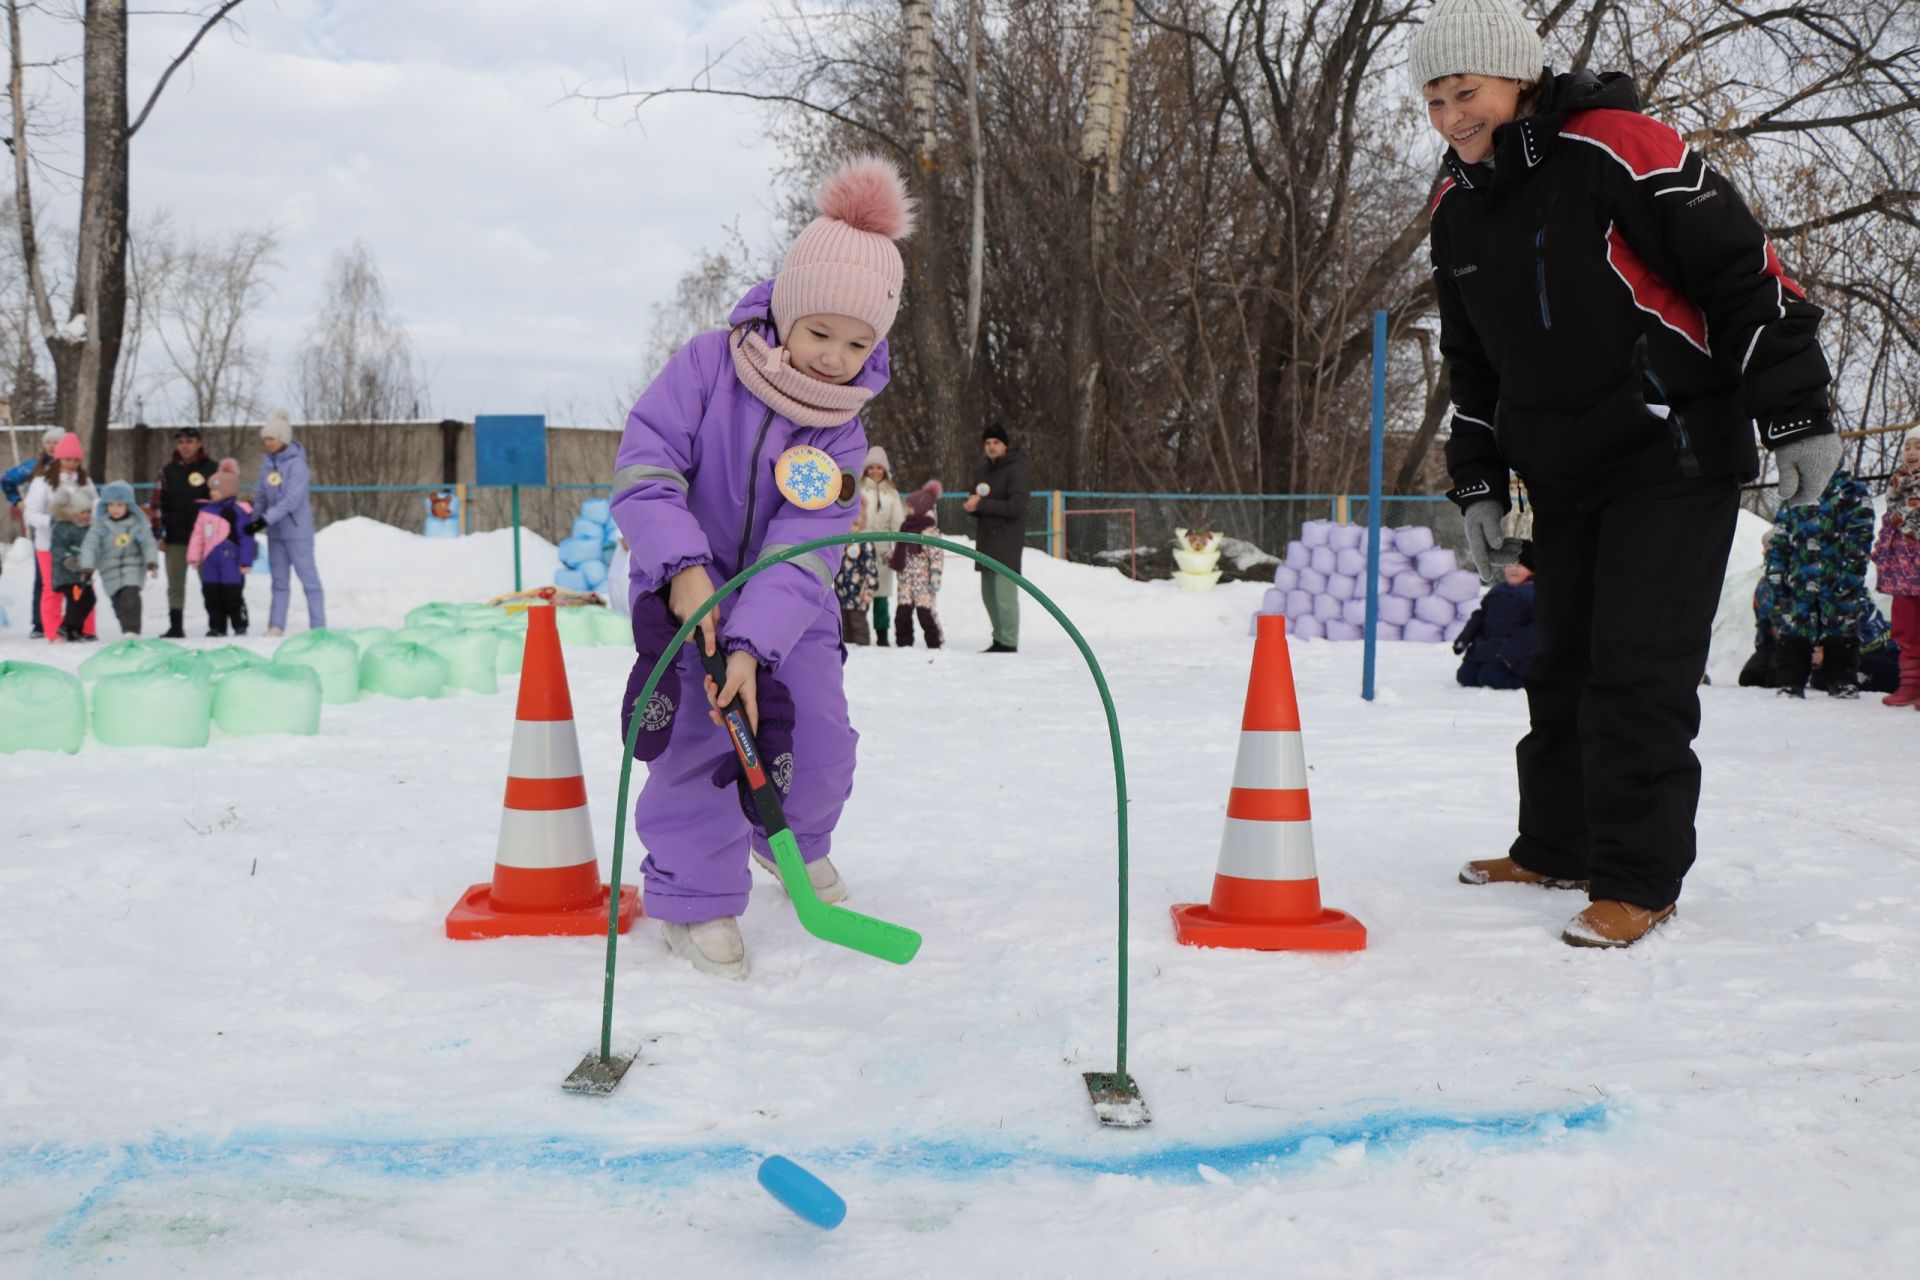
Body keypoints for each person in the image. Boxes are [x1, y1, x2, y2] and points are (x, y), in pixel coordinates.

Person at [1419, 0, 1841, 947]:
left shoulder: (1617, 146)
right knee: (1559, 662)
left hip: (1672, 454)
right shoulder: (1458, 204)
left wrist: (1798, 410)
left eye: (1467, 93)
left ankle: (1639, 879)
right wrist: (1480, 480)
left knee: (1637, 672)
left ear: (1518, 78)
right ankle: (1557, 843)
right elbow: (1473, 361)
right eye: (1435, 100)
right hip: (1564, 472)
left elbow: (1744, 274)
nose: (1451, 118)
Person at [609, 155, 913, 979]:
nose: (833, 359)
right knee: (702, 740)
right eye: (820, 333)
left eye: (859, 344)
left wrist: (751, 645)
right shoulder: (707, 367)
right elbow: (646, 467)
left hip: (789, 608)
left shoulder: (841, 432)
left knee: (820, 738)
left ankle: (786, 838)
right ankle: (694, 896)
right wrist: (680, 568)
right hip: (683, 588)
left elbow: (806, 541)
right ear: (784, 308)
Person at [1755, 470, 1877, 698]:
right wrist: (1776, 575)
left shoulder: (1851, 492)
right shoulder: (1795, 495)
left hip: (1838, 582)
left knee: (1841, 628)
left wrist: (1852, 577)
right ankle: (1790, 683)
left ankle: (1842, 681)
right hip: (1800, 582)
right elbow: (1780, 541)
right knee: (1795, 629)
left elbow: (1861, 537)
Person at [245, 410, 326, 634]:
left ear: (283, 438)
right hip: (276, 534)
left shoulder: (297, 466)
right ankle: (276, 625)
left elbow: (291, 500)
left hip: (297, 532)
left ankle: (318, 627)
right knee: (279, 582)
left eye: (271, 438)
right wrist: (253, 521)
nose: (267, 443)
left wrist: (264, 519)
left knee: (309, 581)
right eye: (265, 439)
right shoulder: (267, 465)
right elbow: (261, 495)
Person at [23, 433, 98, 641]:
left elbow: (97, 507)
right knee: (52, 588)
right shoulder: (43, 482)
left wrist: (89, 520)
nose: (71, 464)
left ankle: (85, 628)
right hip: (49, 545)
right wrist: (52, 523)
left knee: (84, 586)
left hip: (81, 545)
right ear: (58, 459)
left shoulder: (86, 482)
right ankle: (54, 631)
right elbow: (31, 513)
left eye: (75, 460)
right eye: (67, 459)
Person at [966, 422, 1034, 653]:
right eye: (988, 443)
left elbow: (1017, 505)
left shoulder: (1017, 468)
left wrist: (982, 504)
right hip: (986, 539)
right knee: (989, 595)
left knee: (1005, 596)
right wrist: (972, 506)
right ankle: (998, 637)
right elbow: (978, 500)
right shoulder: (982, 470)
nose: (992, 447)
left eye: (996, 442)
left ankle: (1009, 641)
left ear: (1005, 445)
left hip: (1007, 539)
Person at [148, 425, 212, 638]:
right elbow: (157, 505)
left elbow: (222, 503)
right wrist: (158, 534)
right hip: (175, 537)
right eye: (181, 442)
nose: (185, 446)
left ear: (199, 443)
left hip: (205, 538)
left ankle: (216, 623)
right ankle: (176, 626)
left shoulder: (212, 468)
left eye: (190, 442)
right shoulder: (167, 471)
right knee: (175, 585)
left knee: (210, 582)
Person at [1871, 428, 1920, 707]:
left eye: (1918, 447)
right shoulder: (1897, 487)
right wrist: (1880, 553)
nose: (1912, 453)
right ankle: (1911, 685)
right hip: (1904, 572)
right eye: (1908, 447)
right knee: (1906, 628)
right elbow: (1890, 524)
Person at [3, 428, 64, 638]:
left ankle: (67, 619)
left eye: (56, 442)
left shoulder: (71, 465)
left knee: (68, 574)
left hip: (66, 527)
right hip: (42, 526)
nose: (52, 446)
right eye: (49, 442)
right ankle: (39, 622)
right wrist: (17, 501)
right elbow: (7, 479)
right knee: (43, 575)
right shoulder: (36, 466)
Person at [80, 480, 160, 636]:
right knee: (119, 603)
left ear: (128, 505)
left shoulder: (137, 523)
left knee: (131, 597)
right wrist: (87, 567)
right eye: (111, 505)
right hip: (109, 569)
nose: (115, 509)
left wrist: (151, 562)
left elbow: (148, 543)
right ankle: (127, 628)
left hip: (133, 567)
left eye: (120, 505)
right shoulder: (100, 525)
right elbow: (89, 546)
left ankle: (132, 632)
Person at [188, 459, 256, 637]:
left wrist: (245, 561)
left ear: (228, 490)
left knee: (232, 595)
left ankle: (239, 624)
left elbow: (246, 538)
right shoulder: (205, 511)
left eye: (216, 489)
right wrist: (194, 556)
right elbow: (198, 535)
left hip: (231, 562)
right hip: (210, 561)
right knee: (212, 595)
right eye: (211, 489)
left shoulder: (239, 512)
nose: (212, 492)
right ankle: (217, 627)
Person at [1453, 555, 1537, 689]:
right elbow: (1480, 616)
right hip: (1487, 647)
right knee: (1465, 677)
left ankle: (1532, 680)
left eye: (1519, 566)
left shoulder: (1535, 593)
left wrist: (1512, 650)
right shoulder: (1498, 589)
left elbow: (1538, 628)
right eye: (1509, 565)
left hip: (1514, 653)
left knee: (1490, 677)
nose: (1513, 569)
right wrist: (1464, 638)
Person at [858, 445, 905, 646]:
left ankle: (882, 635)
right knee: (859, 590)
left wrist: (896, 547)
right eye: (871, 467)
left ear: (885, 470)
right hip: (860, 547)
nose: (875, 471)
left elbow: (898, 523)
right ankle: (858, 634)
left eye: (879, 467)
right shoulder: (858, 491)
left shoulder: (891, 493)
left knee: (881, 594)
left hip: (883, 548)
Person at [891, 480, 944, 648]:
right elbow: (901, 550)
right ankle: (904, 643)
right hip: (906, 578)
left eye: (911, 507)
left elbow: (936, 555)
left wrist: (936, 573)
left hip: (923, 580)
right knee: (903, 613)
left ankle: (934, 642)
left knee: (925, 613)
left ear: (921, 507)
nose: (908, 511)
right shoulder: (906, 527)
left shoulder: (929, 531)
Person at [46, 489, 98, 642]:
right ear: (74, 512)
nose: (86, 515)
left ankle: (73, 628)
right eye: (83, 512)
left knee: (89, 599)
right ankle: (68, 628)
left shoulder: (89, 528)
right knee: (77, 600)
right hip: (65, 574)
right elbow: (57, 547)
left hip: (83, 574)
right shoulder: (63, 527)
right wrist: (67, 558)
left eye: (89, 511)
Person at [834, 502, 878, 645]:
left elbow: (870, 568)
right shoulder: (841, 542)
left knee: (858, 622)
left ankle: (863, 646)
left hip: (858, 594)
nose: (851, 528)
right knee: (843, 623)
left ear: (862, 525)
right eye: (849, 524)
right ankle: (846, 645)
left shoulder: (865, 543)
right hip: (842, 592)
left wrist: (869, 590)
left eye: (856, 524)